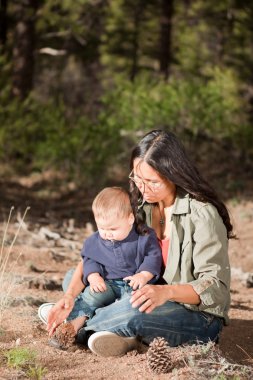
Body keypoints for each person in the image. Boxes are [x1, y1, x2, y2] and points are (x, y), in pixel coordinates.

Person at [40, 129, 233, 358]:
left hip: (194, 315)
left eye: (152, 181)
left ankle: (78, 324)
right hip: (142, 292)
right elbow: (97, 254)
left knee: (132, 310)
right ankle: (116, 332)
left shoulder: (202, 215)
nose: (142, 187)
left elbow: (215, 287)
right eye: (137, 178)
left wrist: (166, 292)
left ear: (174, 175)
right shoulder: (140, 207)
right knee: (75, 276)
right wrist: (69, 296)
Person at [39, 186, 161, 348]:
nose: (107, 233)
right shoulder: (95, 241)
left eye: (112, 229)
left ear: (130, 219)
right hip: (107, 283)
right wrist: (93, 276)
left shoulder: (144, 236)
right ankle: (72, 326)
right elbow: (90, 260)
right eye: (102, 228)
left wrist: (144, 275)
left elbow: (153, 256)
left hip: (134, 286)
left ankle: (98, 329)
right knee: (88, 292)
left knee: (131, 305)